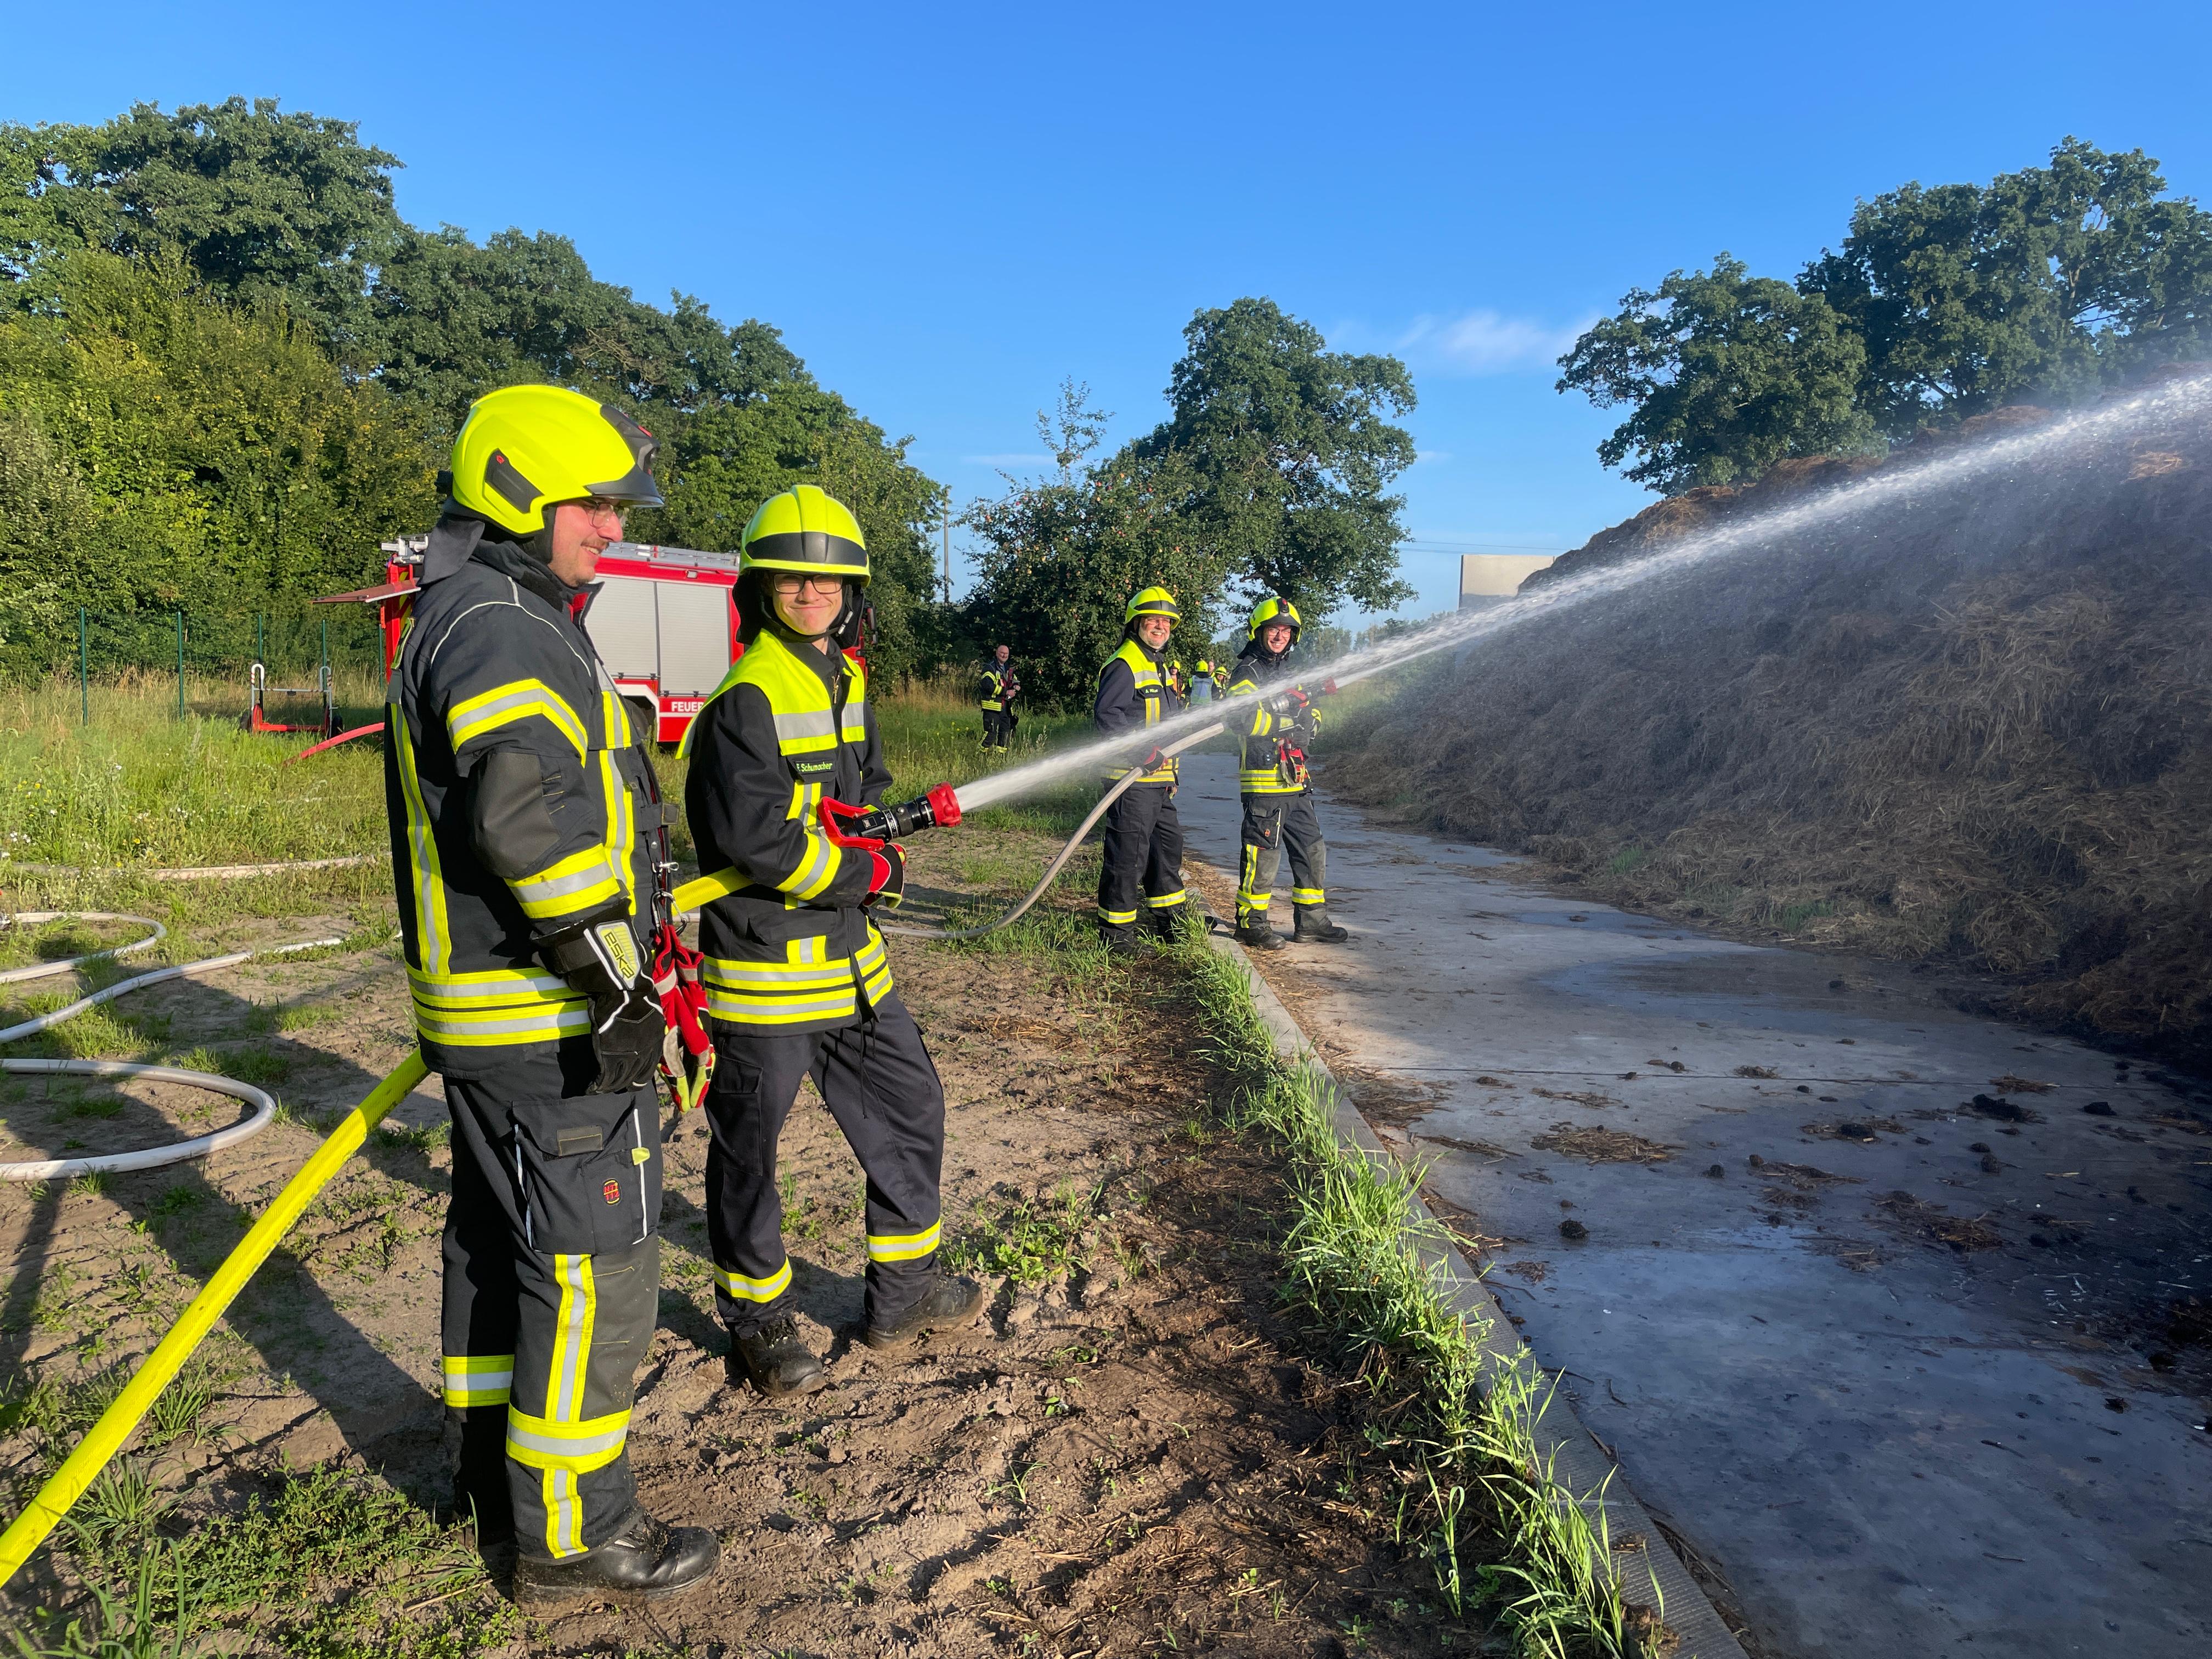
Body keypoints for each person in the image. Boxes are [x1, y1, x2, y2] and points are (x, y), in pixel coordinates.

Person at [385, 384, 718, 1609]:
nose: (613, 525)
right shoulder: (504, 625)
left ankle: (488, 1479)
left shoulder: (481, 608)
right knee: (596, 1268)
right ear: (521, 488)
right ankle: (576, 1533)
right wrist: (616, 984)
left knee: (496, 1244)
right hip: (551, 1021)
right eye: (596, 502)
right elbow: (526, 821)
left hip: (491, 1020)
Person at [682, 484, 985, 1399]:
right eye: (791, 579)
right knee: (750, 1153)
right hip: (767, 970)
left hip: (853, 966)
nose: (811, 591)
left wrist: (875, 829)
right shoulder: (744, 701)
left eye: (829, 579)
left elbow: (863, 784)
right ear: (761, 589)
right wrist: (869, 873)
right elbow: (755, 844)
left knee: (911, 1108)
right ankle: (762, 1322)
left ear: (852, 590)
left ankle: (903, 1293)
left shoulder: (846, 680)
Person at [1226, 596, 1350, 950]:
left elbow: (1313, 714)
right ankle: (1251, 923)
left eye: (1286, 631)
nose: (1279, 636)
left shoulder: (1292, 673)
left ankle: (1311, 922)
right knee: (1263, 854)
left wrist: (1308, 723)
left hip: (1295, 779)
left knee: (1312, 848)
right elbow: (1241, 719)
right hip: (1264, 779)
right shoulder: (1248, 672)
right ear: (1259, 632)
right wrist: (1287, 722)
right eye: (1273, 630)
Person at [1093, 586, 1193, 952]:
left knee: (1167, 848)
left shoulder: (1159, 664)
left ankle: (1171, 924)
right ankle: (1116, 936)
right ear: (1136, 622)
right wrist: (1141, 752)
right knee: (1128, 857)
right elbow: (1108, 716)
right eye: (1153, 619)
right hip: (1129, 779)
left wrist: (1172, 773)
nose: (1160, 626)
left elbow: (1168, 728)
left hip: (1158, 780)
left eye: (1166, 621)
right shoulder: (1125, 663)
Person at [978, 644, 1020, 752]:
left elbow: (1014, 680)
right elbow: (987, 686)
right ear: (997, 653)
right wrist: (1006, 691)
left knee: (1005, 732)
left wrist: (1016, 686)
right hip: (992, 707)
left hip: (1005, 707)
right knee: (991, 733)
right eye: (1002, 653)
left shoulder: (1008, 668)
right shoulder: (990, 668)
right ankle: (980, 752)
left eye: (1006, 654)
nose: (1004, 655)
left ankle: (1000, 756)